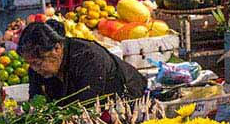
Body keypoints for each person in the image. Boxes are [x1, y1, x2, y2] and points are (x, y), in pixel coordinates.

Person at [18, 21, 146, 103]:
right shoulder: (36, 69)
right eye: (31, 64)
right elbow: (35, 101)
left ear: (57, 48)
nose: (35, 69)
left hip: (127, 97)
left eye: (38, 63)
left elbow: (87, 105)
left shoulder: (88, 57)